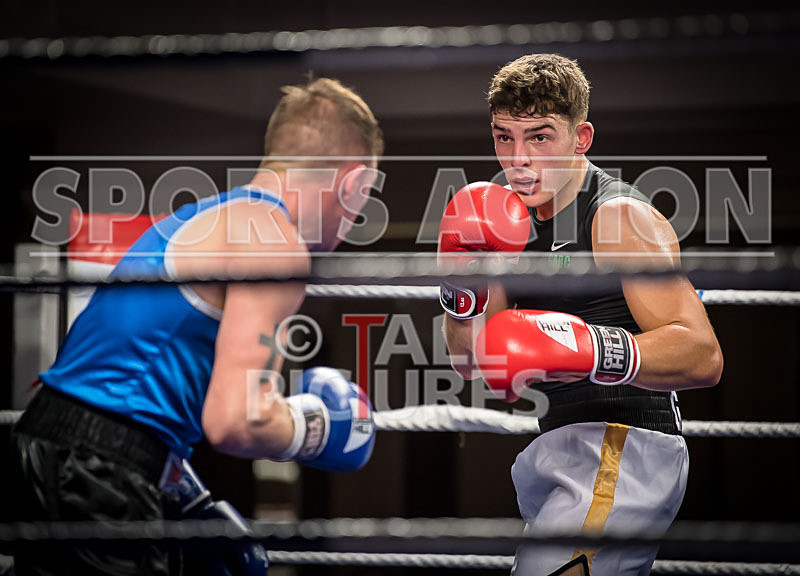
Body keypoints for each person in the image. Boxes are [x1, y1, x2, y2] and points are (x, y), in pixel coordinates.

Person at [5, 77, 384, 575]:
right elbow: (235, 421)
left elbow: (134, 377)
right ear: (354, 183)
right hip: (98, 469)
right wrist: (316, 426)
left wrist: (176, 483)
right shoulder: (274, 244)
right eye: (366, 196)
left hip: (57, 446)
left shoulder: (198, 218)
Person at [439, 54, 723, 575]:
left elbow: (702, 355)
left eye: (540, 137)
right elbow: (469, 362)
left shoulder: (616, 216)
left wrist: (586, 345)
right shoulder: (504, 222)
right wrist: (461, 283)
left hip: (624, 446)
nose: (518, 158)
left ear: (581, 138)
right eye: (504, 137)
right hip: (558, 447)